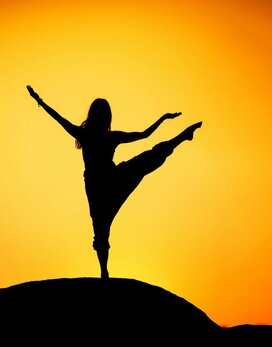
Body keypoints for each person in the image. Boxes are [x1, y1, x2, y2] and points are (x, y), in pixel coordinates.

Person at [26, 85, 202, 279]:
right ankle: (104, 272)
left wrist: (163, 118)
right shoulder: (90, 135)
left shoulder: (105, 136)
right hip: (99, 187)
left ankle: (184, 136)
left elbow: (143, 135)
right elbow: (59, 118)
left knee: (147, 160)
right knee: (101, 229)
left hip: (112, 179)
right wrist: (40, 101)